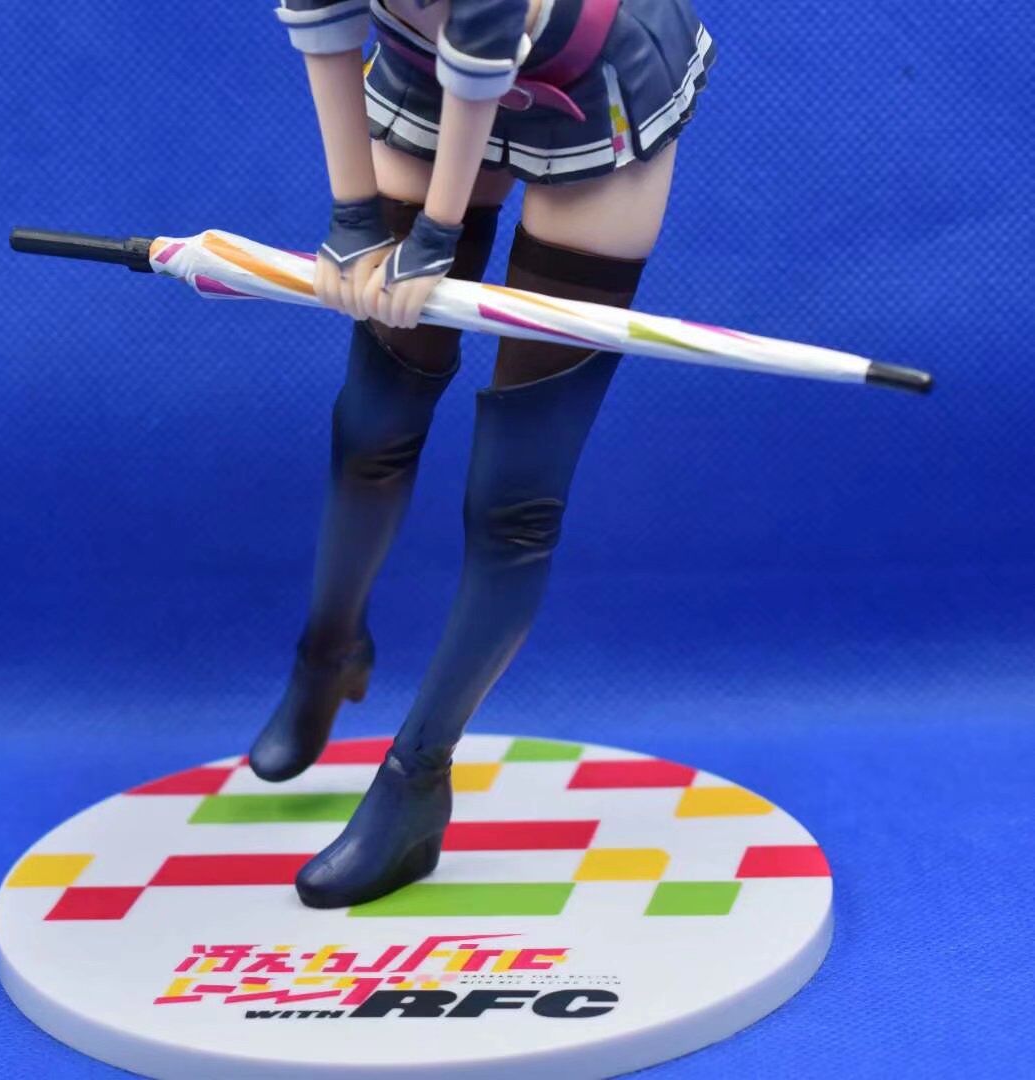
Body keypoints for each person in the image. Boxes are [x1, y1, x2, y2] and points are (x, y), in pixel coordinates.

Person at [252, 0, 716, 907]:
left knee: (515, 496)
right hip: (431, 76)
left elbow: (482, 65)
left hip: (591, 86)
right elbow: (326, 35)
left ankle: (417, 779)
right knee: (373, 417)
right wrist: (353, 220)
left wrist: (432, 241)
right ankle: (328, 654)